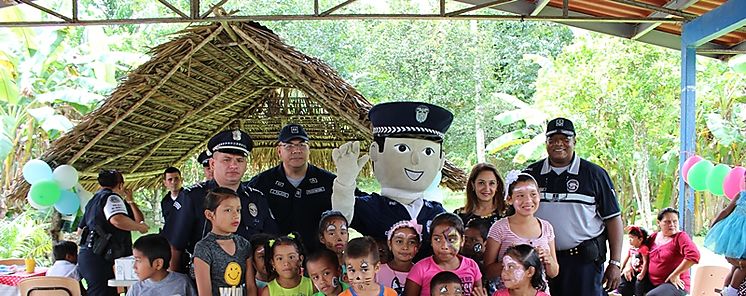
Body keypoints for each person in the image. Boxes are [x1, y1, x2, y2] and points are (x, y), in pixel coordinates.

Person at [332, 102, 453, 259]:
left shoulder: (436, 212)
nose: (415, 160)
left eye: (428, 152)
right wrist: (345, 184)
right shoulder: (374, 207)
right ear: (375, 152)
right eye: (402, 149)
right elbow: (341, 219)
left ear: (440, 160)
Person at [523, 117, 623, 295]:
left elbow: (613, 219)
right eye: (552, 140)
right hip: (540, 260)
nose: (558, 144)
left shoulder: (595, 174)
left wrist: (615, 263)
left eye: (565, 139)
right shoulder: (531, 174)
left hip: (583, 263)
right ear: (546, 143)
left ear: (574, 141)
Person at [163, 129, 278, 272]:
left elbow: (272, 242)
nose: (234, 165)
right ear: (212, 164)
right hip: (203, 281)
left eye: (239, 160)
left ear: (246, 165)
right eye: (227, 159)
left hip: (250, 282)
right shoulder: (192, 197)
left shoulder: (257, 198)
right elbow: (174, 246)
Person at [249, 124, 341, 252]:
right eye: (289, 146)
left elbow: (355, 202)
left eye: (302, 145)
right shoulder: (263, 182)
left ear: (309, 149)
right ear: (279, 151)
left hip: (319, 260)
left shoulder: (328, 181)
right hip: (278, 260)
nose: (296, 150)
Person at [78, 169, 149, 296]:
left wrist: (130, 201)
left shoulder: (94, 201)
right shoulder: (111, 197)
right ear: (120, 184)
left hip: (88, 254)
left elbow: (80, 230)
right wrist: (140, 227)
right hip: (99, 255)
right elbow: (117, 220)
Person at [483, 171, 558, 291]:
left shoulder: (546, 227)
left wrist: (548, 259)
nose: (528, 200)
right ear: (509, 199)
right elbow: (488, 272)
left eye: (533, 194)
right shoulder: (500, 228)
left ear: (539, 196)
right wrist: (516, 260)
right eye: (520, 195)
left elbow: (554, 272)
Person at [193, 188, 257, 296]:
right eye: (228, 210)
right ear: (210, 215)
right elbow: (205, 293)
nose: (236, 215)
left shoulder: (244, 245)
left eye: (238, 210)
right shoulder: (204, 248)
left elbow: (251, 286)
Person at [405, 212, 482, 296]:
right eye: (437, 239)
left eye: (452, 239)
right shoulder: (420, 269)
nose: (444, 246)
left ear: (462, 240)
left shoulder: (472, 266)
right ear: (431, 240)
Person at [637, 208, 699, 295]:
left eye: (675, 221)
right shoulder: (653, 237)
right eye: (667, 222)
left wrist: (675, 274)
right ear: (659, 223)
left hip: (674, 284)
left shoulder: (680, 237)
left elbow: (694, 255)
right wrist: (628, 266)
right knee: (628, 282)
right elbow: (639, 251)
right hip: (653, 282)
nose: (672, 225)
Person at [705, 180, 746, 296]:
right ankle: (729, 290)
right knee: (739, 264)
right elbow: (726, 211)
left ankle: (729, 290)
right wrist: (715, 223)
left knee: (739, 265)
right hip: (736, 233)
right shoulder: (740, 195)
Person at [127, 234, 195, 296]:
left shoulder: (183, 283)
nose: (134, 266)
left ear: (158, 264)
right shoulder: (136, 290)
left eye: (138, 260)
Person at [377, 220, 422, 295]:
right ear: (389, 244)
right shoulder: (377, 271)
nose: (405, 247)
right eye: (399, 241)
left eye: (411, 242)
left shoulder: (421, 273)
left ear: (418, 246)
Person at [617, 226, 650, 296]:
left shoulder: (643, 249)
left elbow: (645, 262)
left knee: (638, 287)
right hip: (633, 271)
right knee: (623, 282)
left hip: (640, 273)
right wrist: (621, 269)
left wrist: (642, 274)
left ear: (640, 239)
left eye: (632, 238)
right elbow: (625, 260)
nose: (629, 240)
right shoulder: (631, 249)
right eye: (629, 237)